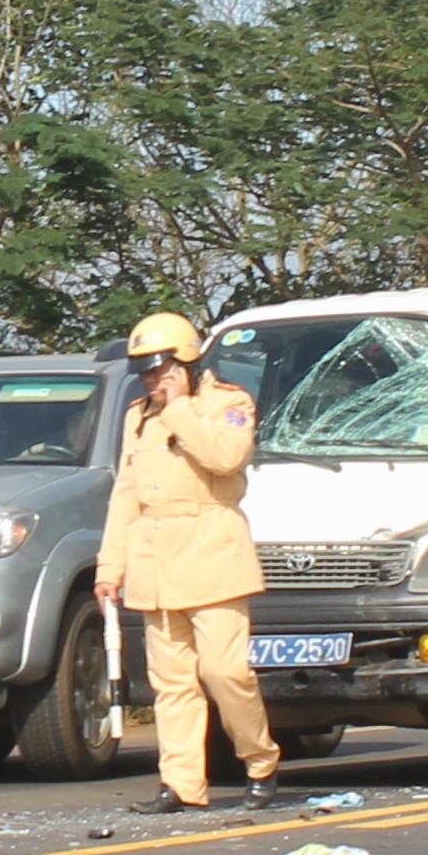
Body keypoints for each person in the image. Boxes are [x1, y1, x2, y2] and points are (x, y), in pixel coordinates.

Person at [99, 311, 281, 811]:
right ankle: (181, 784)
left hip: (211, 552)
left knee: (226, 673)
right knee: (172, 683)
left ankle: (259, 760)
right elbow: (126, 494)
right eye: (145, 373)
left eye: (159, 369)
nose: (152, 380)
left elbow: (226, 458)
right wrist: (109, 569)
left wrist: (180, 409)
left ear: (184, 363)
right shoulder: (139, 415)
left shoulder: (228, 402)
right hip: (154, 558)